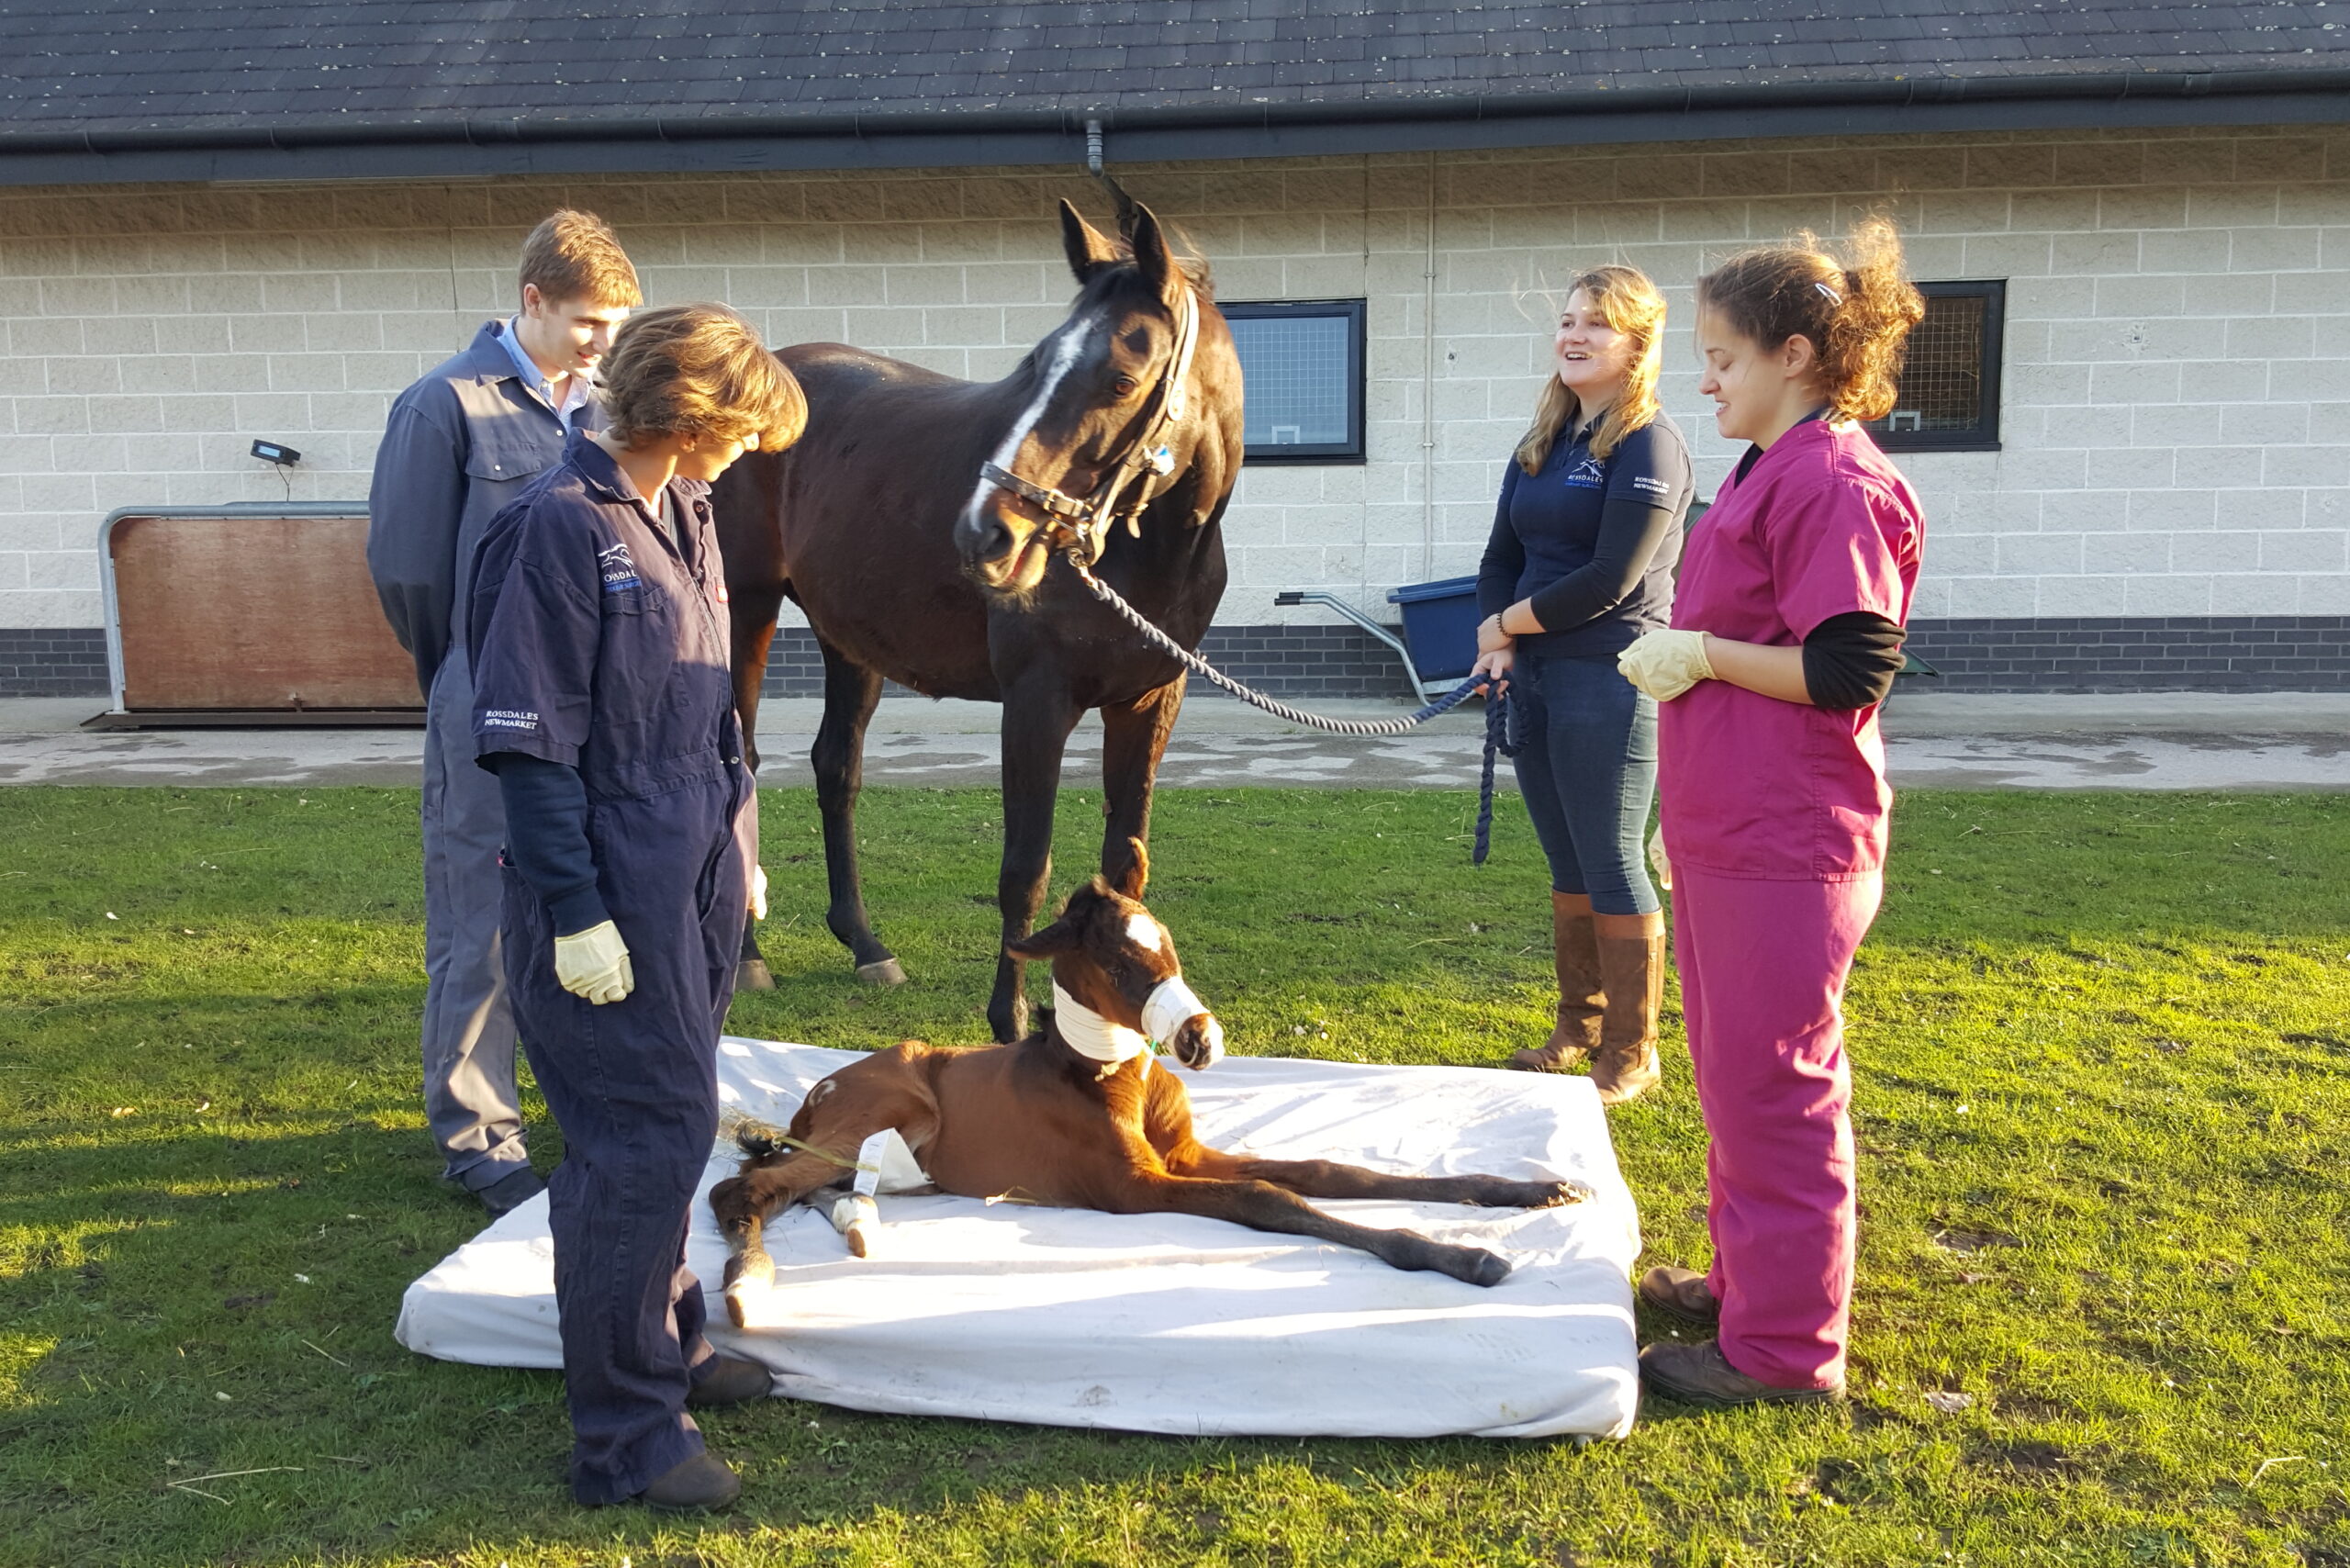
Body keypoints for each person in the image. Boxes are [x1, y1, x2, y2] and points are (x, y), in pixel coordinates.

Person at [465, 305, 806, 1510]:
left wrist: (741, 844)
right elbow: (528, 747)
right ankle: (624, 1437)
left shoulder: (690, 509)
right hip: (609, 884)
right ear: (686, 412)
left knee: (673, 1127)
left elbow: (712, 713)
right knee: (632, 1149)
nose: (752, 448)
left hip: (694, 871)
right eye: (742, 426)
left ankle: (672, 1343)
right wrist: (572, 910)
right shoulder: (557, 531)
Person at [1617, 219, 1925, 1408]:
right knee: (1736, 1078)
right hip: (1733, 837)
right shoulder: (1770, 467)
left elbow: (1851, 666)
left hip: (1789, 845)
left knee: (1778, 1088)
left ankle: (1786, 1355)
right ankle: (1750, 1286)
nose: (1707, 378)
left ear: (1796, 355)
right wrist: (1702, 657)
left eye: (1724, 357)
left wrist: (1702, 652)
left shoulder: (1835, 480)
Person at [366, 210, 641, 1217]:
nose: (603, 341)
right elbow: (406, 575)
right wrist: (469, 676)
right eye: (585, 321)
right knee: (481, 924)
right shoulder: (441, 407)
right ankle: (480, 1135)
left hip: (600, 712)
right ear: (531, 301)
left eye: (615, 322)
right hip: (485, 705)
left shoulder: (606, 408)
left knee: (592, 902)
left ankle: (585, 1100)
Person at [1469, 266, 1694, 1103]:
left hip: (1613, 673)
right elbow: (1500, 559)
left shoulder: (1650, 444)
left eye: (1597, 324)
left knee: (1610, 858)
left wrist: (1505, 627)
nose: (1575, 335)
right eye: (1568, 321)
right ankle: (1579, 1028)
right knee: (1566, 860)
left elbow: (1610, 577)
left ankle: (1633, 1053)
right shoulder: (1542, 444)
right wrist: (1499, 641)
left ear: (1637, 343)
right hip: (1533, 674)